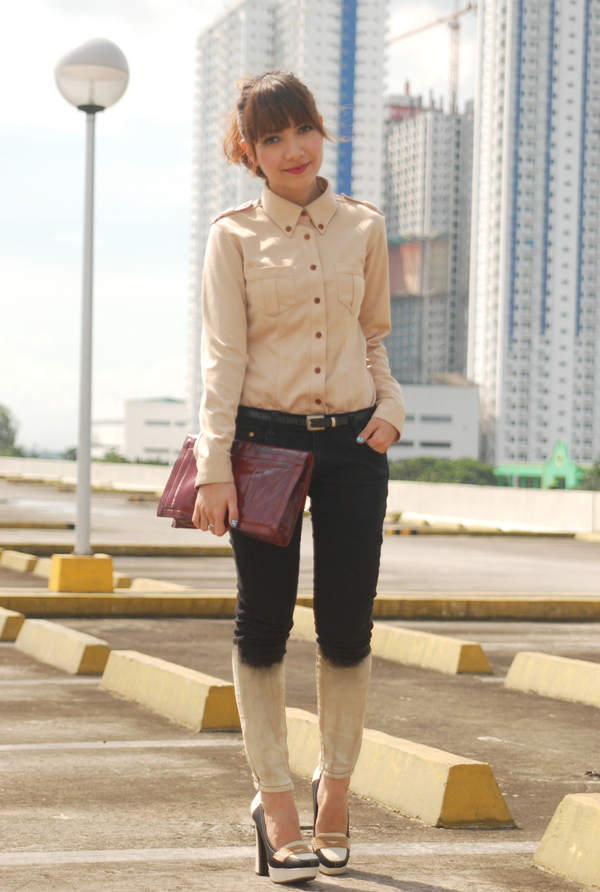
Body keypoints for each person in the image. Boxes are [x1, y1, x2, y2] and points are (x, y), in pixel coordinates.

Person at [192, 70, 405, 884]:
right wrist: (214, 466)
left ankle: (336, 789)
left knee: (348, 628)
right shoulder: (233, 237)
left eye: (302, 130)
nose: (292, 150)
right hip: (263, 445)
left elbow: (372, 337)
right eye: (271, 138)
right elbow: (223, 359)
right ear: (249, 152)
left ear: (323, 130)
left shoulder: (364, 227)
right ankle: (275, 801)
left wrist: (390, 407)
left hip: (354, 447)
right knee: (265, 625)